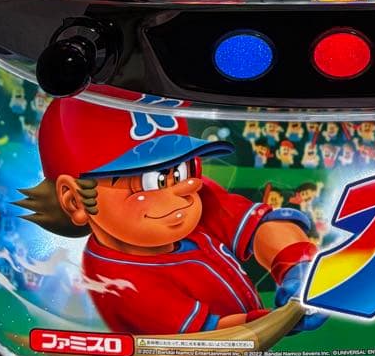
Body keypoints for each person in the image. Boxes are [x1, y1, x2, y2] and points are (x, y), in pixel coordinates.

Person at [18, 97, 325, 336]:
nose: (186, 188)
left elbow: (262, 226)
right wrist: (281, 319)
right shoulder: (118, 281)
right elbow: (209, 338)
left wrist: (297, 266)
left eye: (181, 169)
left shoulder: (195, 196)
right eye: (150, 180)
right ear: (75, 200)